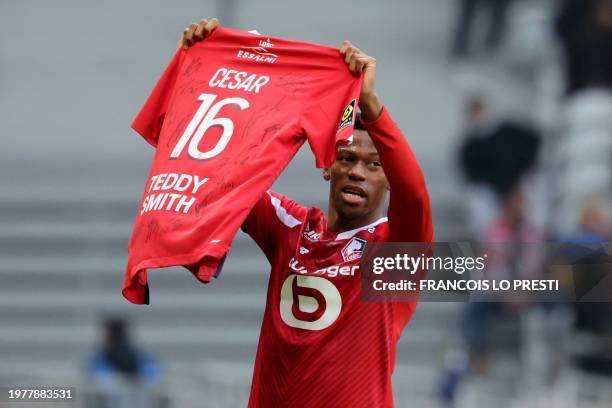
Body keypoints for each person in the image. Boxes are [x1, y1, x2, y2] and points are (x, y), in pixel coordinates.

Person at [179, 19, 433, 408]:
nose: (357, 172)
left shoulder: (392, 253)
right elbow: (218, 169)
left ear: (388, 181)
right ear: (328, 164)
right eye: (348, 158)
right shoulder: (291, 227)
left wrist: (371, 104)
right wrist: (207, 71)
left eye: (374, 165)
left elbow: (414, 194)